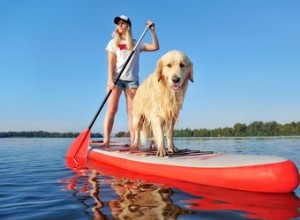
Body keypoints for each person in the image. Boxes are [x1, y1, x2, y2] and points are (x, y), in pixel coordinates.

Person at [102, 15, 159, 147]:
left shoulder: (136, 44)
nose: (120, 25)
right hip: (116, 80)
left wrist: (152, 31)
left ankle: (134, 142)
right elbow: (110, 63)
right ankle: (106, 140)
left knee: (132, 113)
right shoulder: (113, 43)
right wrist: (110, 80)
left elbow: (156, 47)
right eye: (118, 24)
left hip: (132, 81)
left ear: (128, 26)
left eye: (122, 23)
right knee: (112, 110)